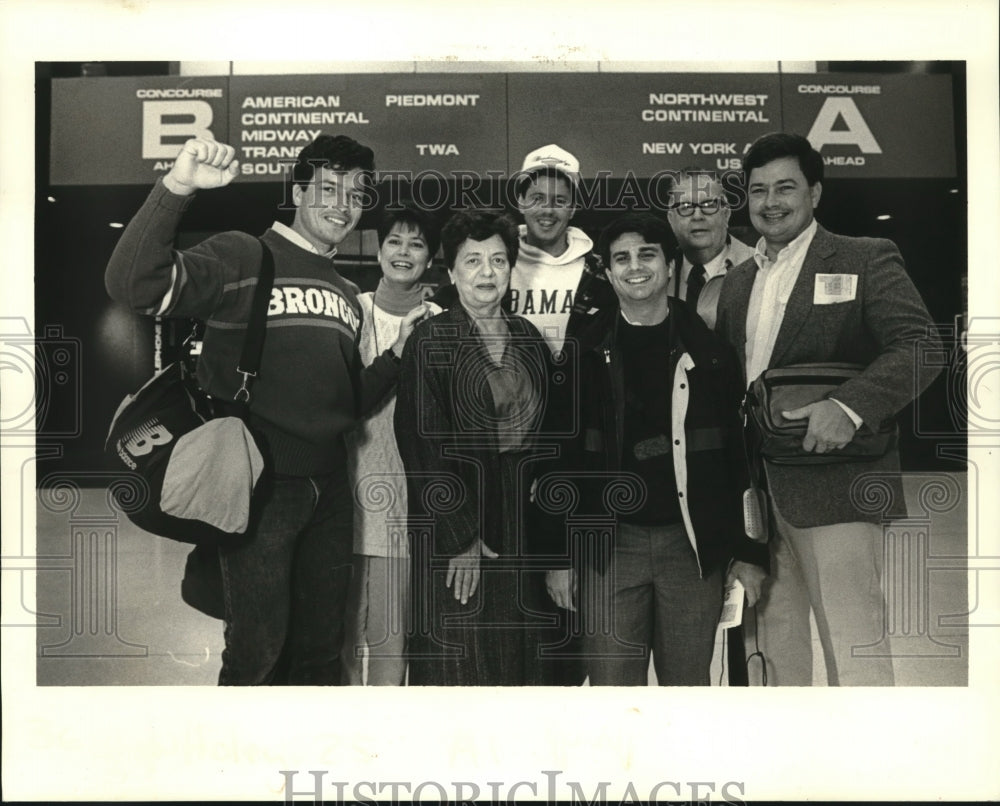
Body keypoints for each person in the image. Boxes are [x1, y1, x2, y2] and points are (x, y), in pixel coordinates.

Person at [105, 134, 427, 685]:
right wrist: (177, 187)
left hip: (329, 494)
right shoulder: (243, 255)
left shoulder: (348, 292)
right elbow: (134, 285)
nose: (342, 204)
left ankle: (310, 770)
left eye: (355, 193)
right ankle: (249, 772)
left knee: (321, 655)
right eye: (328, 188)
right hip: (262, 490)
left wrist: (395, 358)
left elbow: (345, 404)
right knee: (257, 654)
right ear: (298, 191)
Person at [715, 132, 942, 686]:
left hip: (839, 484)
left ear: (815, 192)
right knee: (771, 646)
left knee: (853, 640)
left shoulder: (864, 257)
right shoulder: (738, 282)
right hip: (756, 496)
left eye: (786, 187)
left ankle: (864, 769)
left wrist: (849, 405)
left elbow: (921, 346)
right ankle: (791, 764)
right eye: (759, 190)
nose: (771, 202)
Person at [563, 212, 767, 686]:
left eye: (647, 254)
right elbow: (562, 461)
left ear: (671, 265)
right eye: (622, 258)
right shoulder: (583, 354)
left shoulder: (711, 352)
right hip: (610, 548)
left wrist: (749, 551)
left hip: (691, 546)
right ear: (609, 272)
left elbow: (740, 460)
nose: (635, 267)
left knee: (687, 689)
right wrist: (558, 557)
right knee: (613, 690)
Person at [394, 210, 558, 686]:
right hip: (459, 515)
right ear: (451, 273)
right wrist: (461, 537)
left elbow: (547, 436)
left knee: (521, 654)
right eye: (473, 262)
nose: (487, 273)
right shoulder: (431, 339)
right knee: (462, 655)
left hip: (521, 515)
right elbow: (422, 448)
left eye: (498, 261)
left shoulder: (528, 337)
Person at [509, 146, 617, 685]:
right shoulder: (496, 260)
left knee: (573, 603)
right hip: (506, 446)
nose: (547, 208)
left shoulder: (600, 271)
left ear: (574, 205)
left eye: (559, 198)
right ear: (521, 199)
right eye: (536, 196)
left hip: (578, 444)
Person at [341, 204, 441, 686]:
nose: (404, 252)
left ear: (430, 258)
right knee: (335, 645)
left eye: (417, 243)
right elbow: (337, 402)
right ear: (379, 250)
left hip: (404, 514)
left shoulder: (443, 322)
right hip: (341, 508)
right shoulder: (349, 310)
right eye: (395, 242)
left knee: (390, 650)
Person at [664, 168, 755, 329]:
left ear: (726, 214)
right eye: (685, 206)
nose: (697, 215)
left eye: (708, 204)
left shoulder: (759, 266)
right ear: (671, 219)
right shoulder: (659, 273)